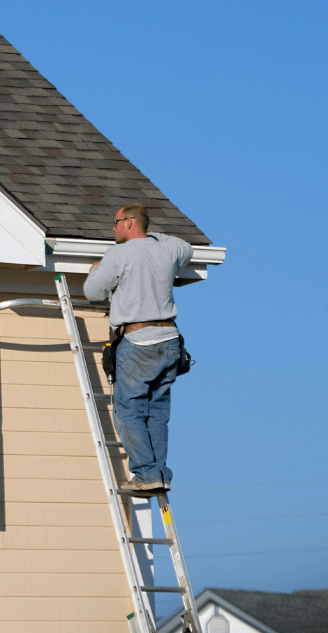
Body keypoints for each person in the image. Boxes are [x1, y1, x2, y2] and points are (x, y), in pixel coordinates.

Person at [83, 204, 193, 496]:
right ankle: (159, 474)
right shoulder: (168, 251)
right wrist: (148, 234)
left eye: (117, 222)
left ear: (130, 222)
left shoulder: (119, 254)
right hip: (170, 341)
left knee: (128, 410)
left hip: (138, 339)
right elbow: (185, 246)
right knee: (156, 412)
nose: (113, 228)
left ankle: (146, 473)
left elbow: (93, 293)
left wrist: (95, 272)